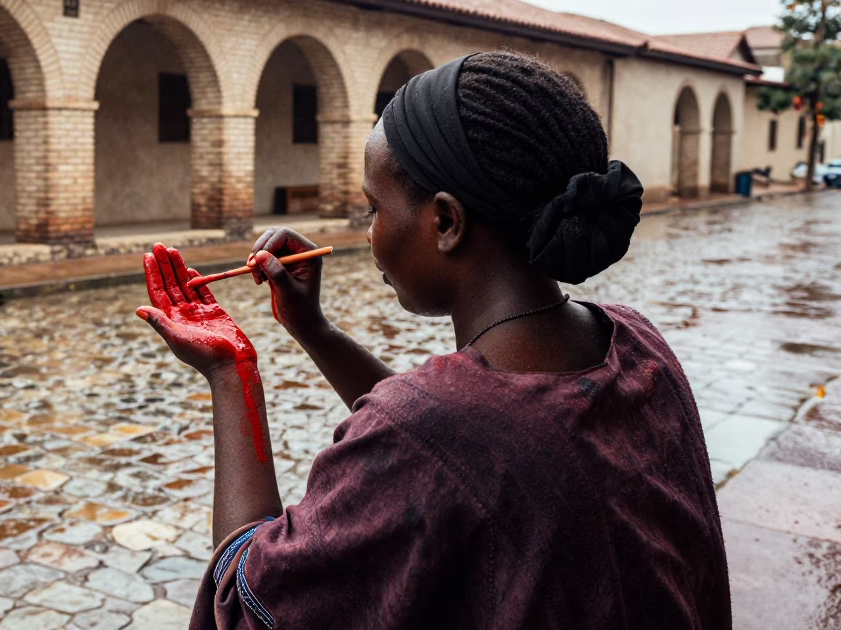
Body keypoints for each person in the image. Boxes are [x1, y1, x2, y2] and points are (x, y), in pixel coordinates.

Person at [135, 51, 730, 629]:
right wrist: (313, 329)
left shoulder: (429, 432)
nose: (369, 234)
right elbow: (470, 447)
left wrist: (229, 370)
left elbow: (245, 603)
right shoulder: (637, 343)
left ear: (446, 222)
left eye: (374, 208)